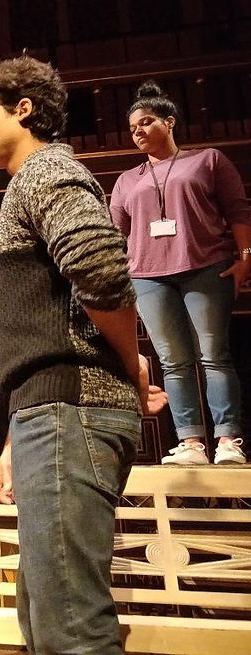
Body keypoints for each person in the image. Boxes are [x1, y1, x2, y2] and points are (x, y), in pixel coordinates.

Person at [0, 56, 166, 655]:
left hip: (70, 414)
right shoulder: (30, 184)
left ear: (23, 110)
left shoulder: (47, 171)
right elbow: (44, 334)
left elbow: (103, 275)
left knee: (71, 626)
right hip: (48, 414)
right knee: (46, 613)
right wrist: (11, 441)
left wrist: (131, 364)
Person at [110, 80, 250, 466]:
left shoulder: (208, 160)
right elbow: (117, 234)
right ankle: (190, 443)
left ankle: (227, 440)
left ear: (170, 122)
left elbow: (238, 210)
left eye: (147, 122)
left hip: (205, 266)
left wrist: (246, 256)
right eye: (133, 126)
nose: (138, 130)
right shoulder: (127, 180)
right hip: (148, 277)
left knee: (214, 355)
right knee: (173, 361)